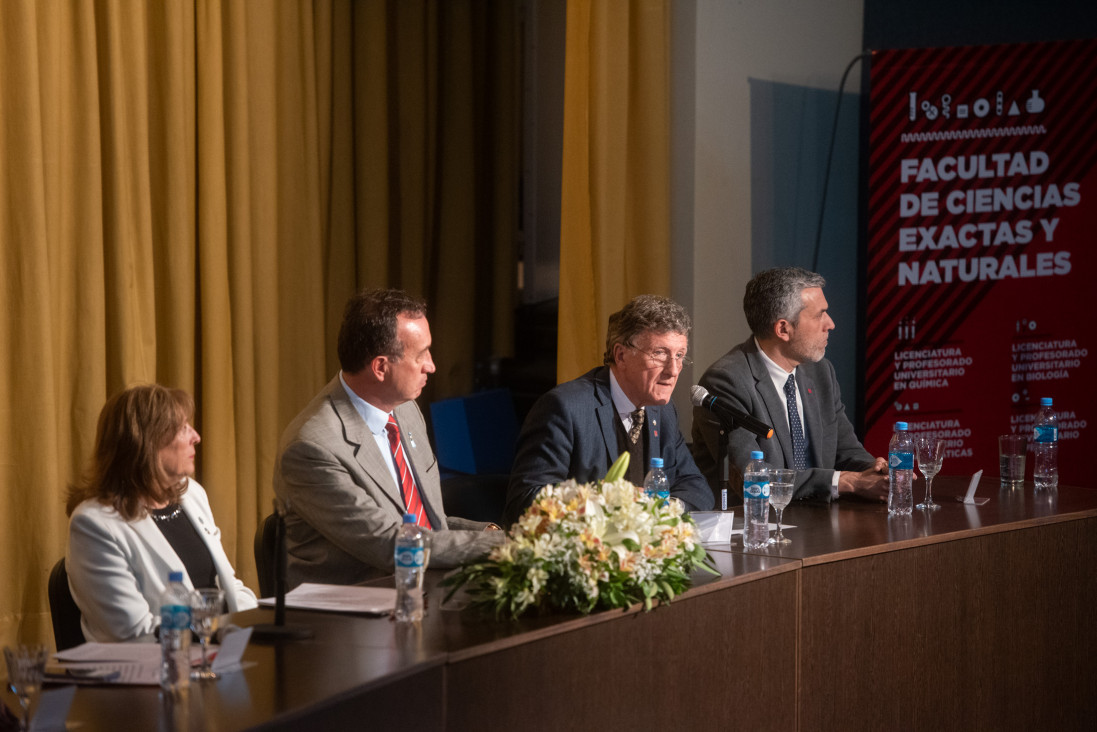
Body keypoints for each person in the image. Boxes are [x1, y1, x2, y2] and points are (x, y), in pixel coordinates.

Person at [274, 288, 503, 588]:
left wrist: (489, 532)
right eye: (421, 355)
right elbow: (391, 544)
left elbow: (426, 524)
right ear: (381, 367)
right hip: (351, 614)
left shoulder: (405, 409)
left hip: (423, 589)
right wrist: (504, 546)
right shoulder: (312, 448)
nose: (431, 366)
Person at [66, 384, 258, 643]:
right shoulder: (94, 524)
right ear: (146, 442)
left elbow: (228, 587)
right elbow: (134, 632)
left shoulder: (192, 495)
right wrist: (219, 635)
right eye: (183, 428)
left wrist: (257, 626)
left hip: (217, 653)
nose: (196, 437)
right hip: (154, 670)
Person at [504, 294, 714, 527]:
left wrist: (660, 509)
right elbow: (525, 501)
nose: (673, 370)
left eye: (679, 356)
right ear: (621, 355)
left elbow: (697, 489)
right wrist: (612, 502)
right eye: (660, 354)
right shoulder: (565, 408)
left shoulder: (662, 412)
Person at [691, 267, 887, 505]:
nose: (831, 324)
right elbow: (752, 477)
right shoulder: (726, 382)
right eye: (819, 315)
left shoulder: (821, 372)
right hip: (752, 527)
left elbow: (845, 451)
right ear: (783, 329)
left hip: (818, 523)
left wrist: (876, 472)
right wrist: (845, 482)